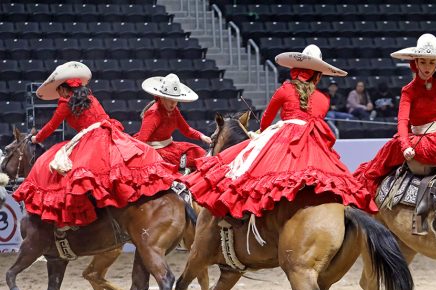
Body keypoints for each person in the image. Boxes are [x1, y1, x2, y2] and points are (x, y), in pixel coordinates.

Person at [183, 45, 377, 219]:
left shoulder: (285, 89)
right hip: (312, 139)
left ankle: (248, 216)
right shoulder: (324, 99)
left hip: (285, 135)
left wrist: (262, 132)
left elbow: (267, 117)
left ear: (298, 69)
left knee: (250, 173)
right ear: (318, 75)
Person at [13, 61, 178, 227]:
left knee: (73, 173)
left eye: (59, 91)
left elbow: (52, 125)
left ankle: (81, 218)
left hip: (92, 138)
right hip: (108, 132)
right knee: (112, 171)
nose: (59, 95)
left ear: (63, 88)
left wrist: (37, 138)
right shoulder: (89, 96)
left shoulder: (65, 102)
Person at [354, 34, 436, 196]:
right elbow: (402, 121)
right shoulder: (409, 90)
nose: (427, 67)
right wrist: (405, 145)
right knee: (378, 167)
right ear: (416, 62)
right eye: (423, 61)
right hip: (419, 138)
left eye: (431, 62)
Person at [135, 74, 213, 173]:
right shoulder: (153, 113)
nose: (173, 104)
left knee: (198, 152)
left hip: (169, 146)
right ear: (162, 98)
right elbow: (142, 141)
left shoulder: (174, 110)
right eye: (170, 100)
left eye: (176, 100)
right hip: (155, 150)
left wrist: (202, 136)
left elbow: (186, 130)